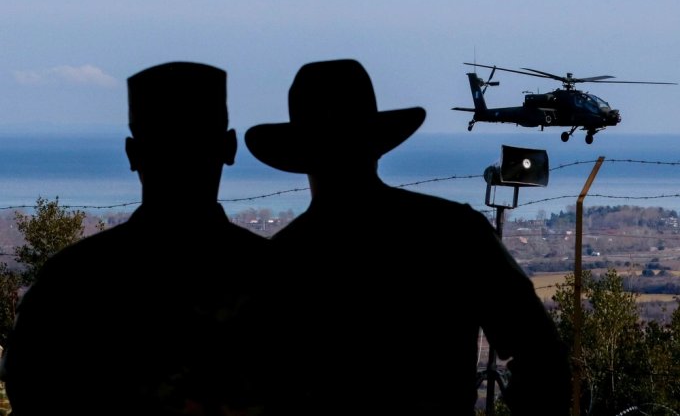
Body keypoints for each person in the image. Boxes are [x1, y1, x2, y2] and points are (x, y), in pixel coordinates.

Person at [245, 58, 572, 416]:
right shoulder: (455, 232)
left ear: (301, 155)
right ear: (376, 145)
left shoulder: (280, 261)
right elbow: (541, 353)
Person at [1, 61, 268, 416]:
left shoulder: (70, 282)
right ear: (230, 147)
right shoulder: (279, 279)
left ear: (132, 154)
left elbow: (29, 389)